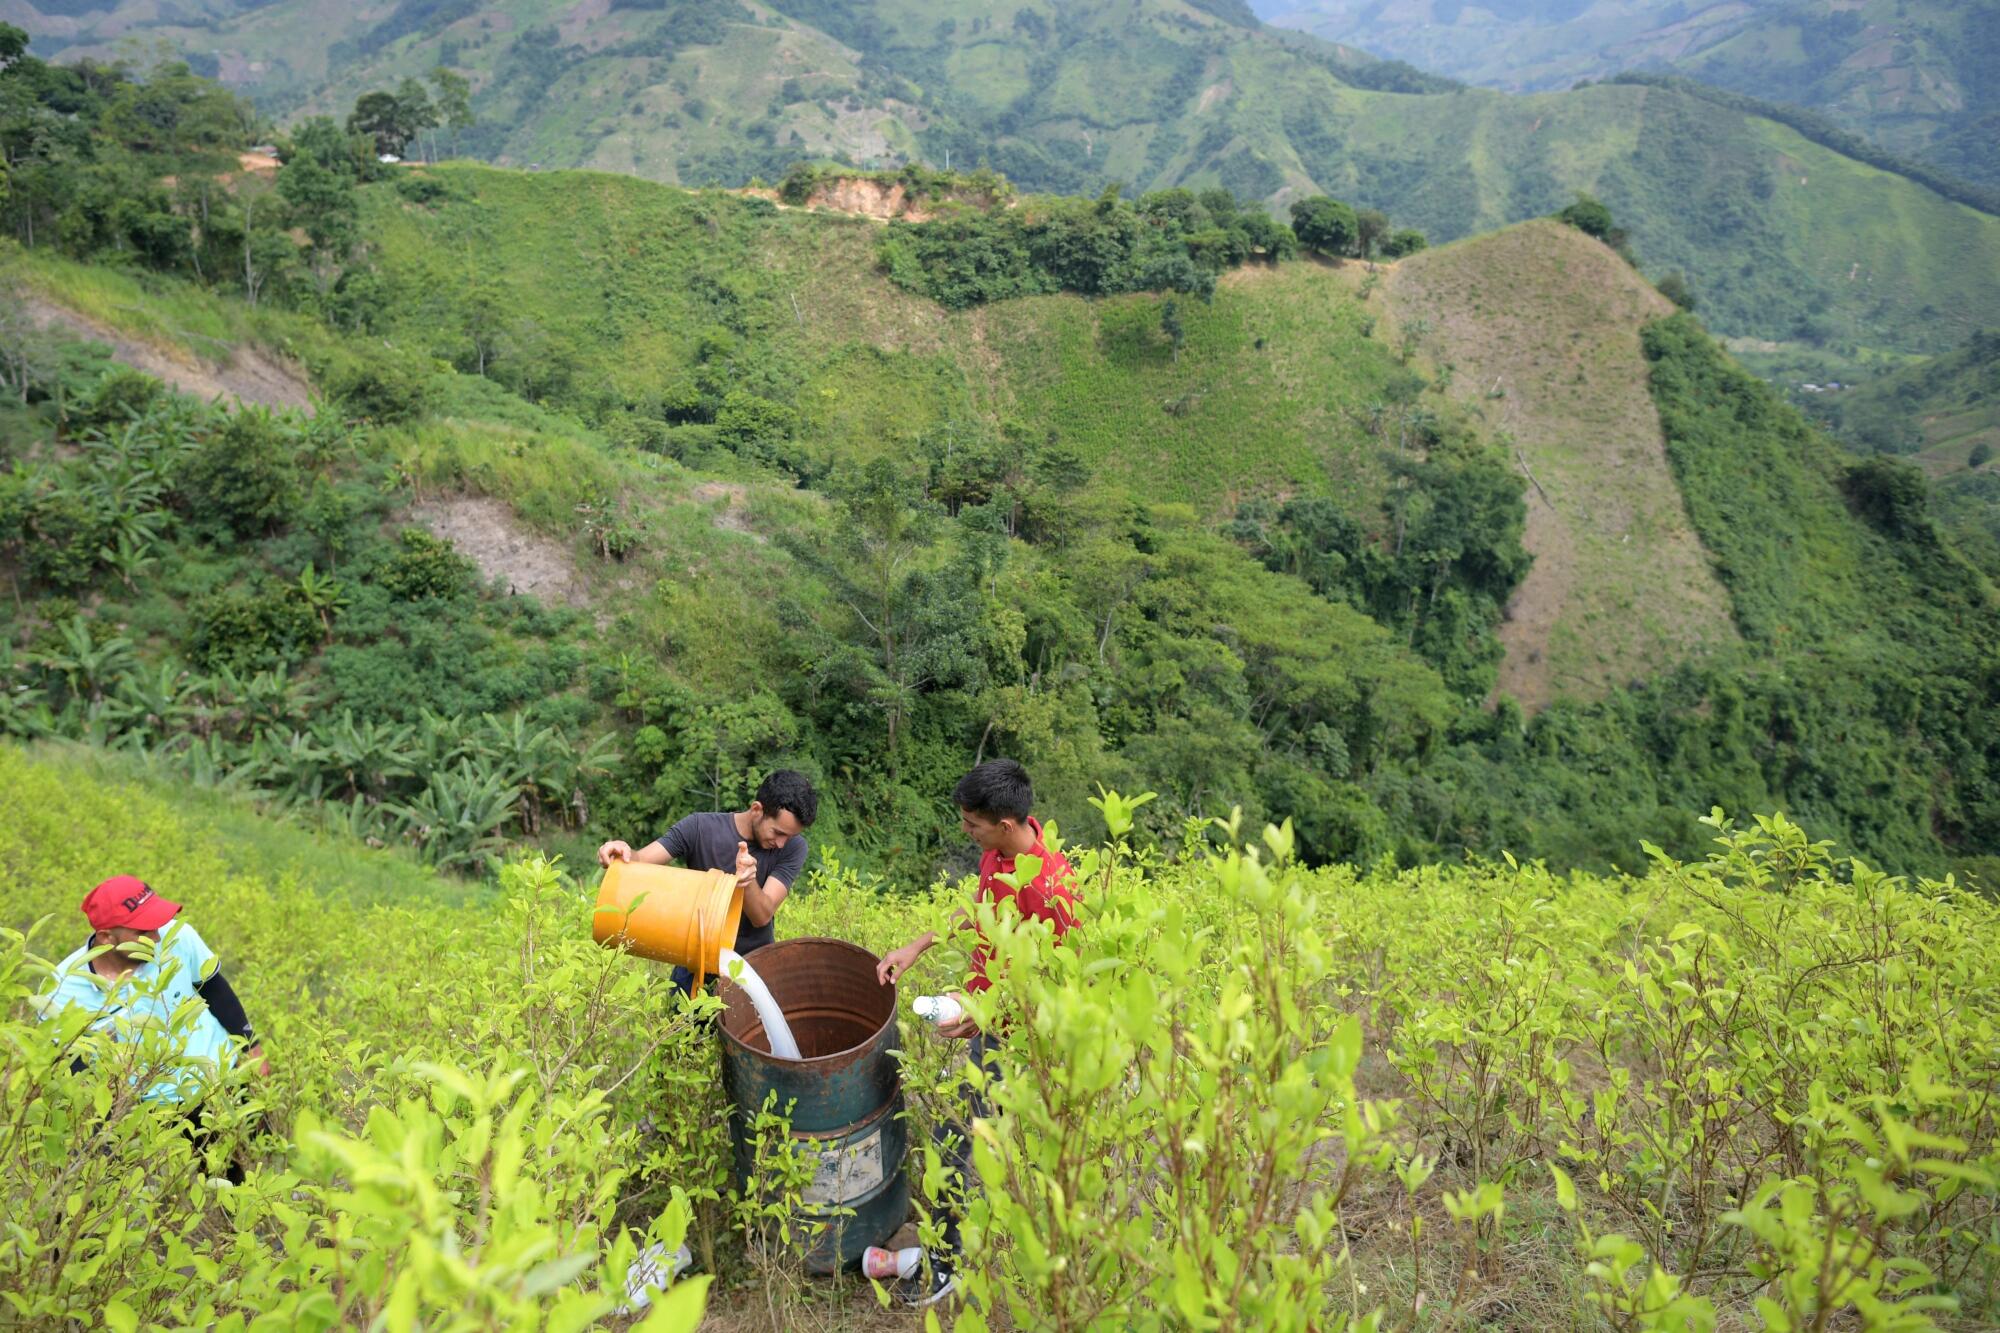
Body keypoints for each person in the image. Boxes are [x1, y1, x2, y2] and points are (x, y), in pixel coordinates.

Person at [871, 759, 1078, 1307]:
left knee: (963, 1146)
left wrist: (990, 1010)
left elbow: (1059, 979)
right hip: (988, 1020)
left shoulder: (1054, 891)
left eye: (973, 824)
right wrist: (918, 945)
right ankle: (952, 1250)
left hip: (1017, 1038)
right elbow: (979, 913)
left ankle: (950, 1268)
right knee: (958, 1138)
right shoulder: (998, 855)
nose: (967, 832)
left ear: (1007, 824)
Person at [40, 875, 268, 1181]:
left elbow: (214, 989)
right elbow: (71, 1066)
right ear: (107, 937)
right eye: (143, 931)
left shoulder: (179, 937)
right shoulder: (62, 989)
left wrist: (251, 1046)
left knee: (241, 1170)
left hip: (217, 1077)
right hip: (148, 1105)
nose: (157, 937)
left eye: (156, 925)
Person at [596, 769, 818, 995]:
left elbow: (762, 915)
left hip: (750, 968)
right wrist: (621, 851)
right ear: (757, 810)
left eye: (788, 836)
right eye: (778, 833)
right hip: (694, 962)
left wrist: (747, 880)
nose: (781, 843)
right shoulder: (699, 828)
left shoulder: (794, 847)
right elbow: (642, 860)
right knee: (683, 1029)